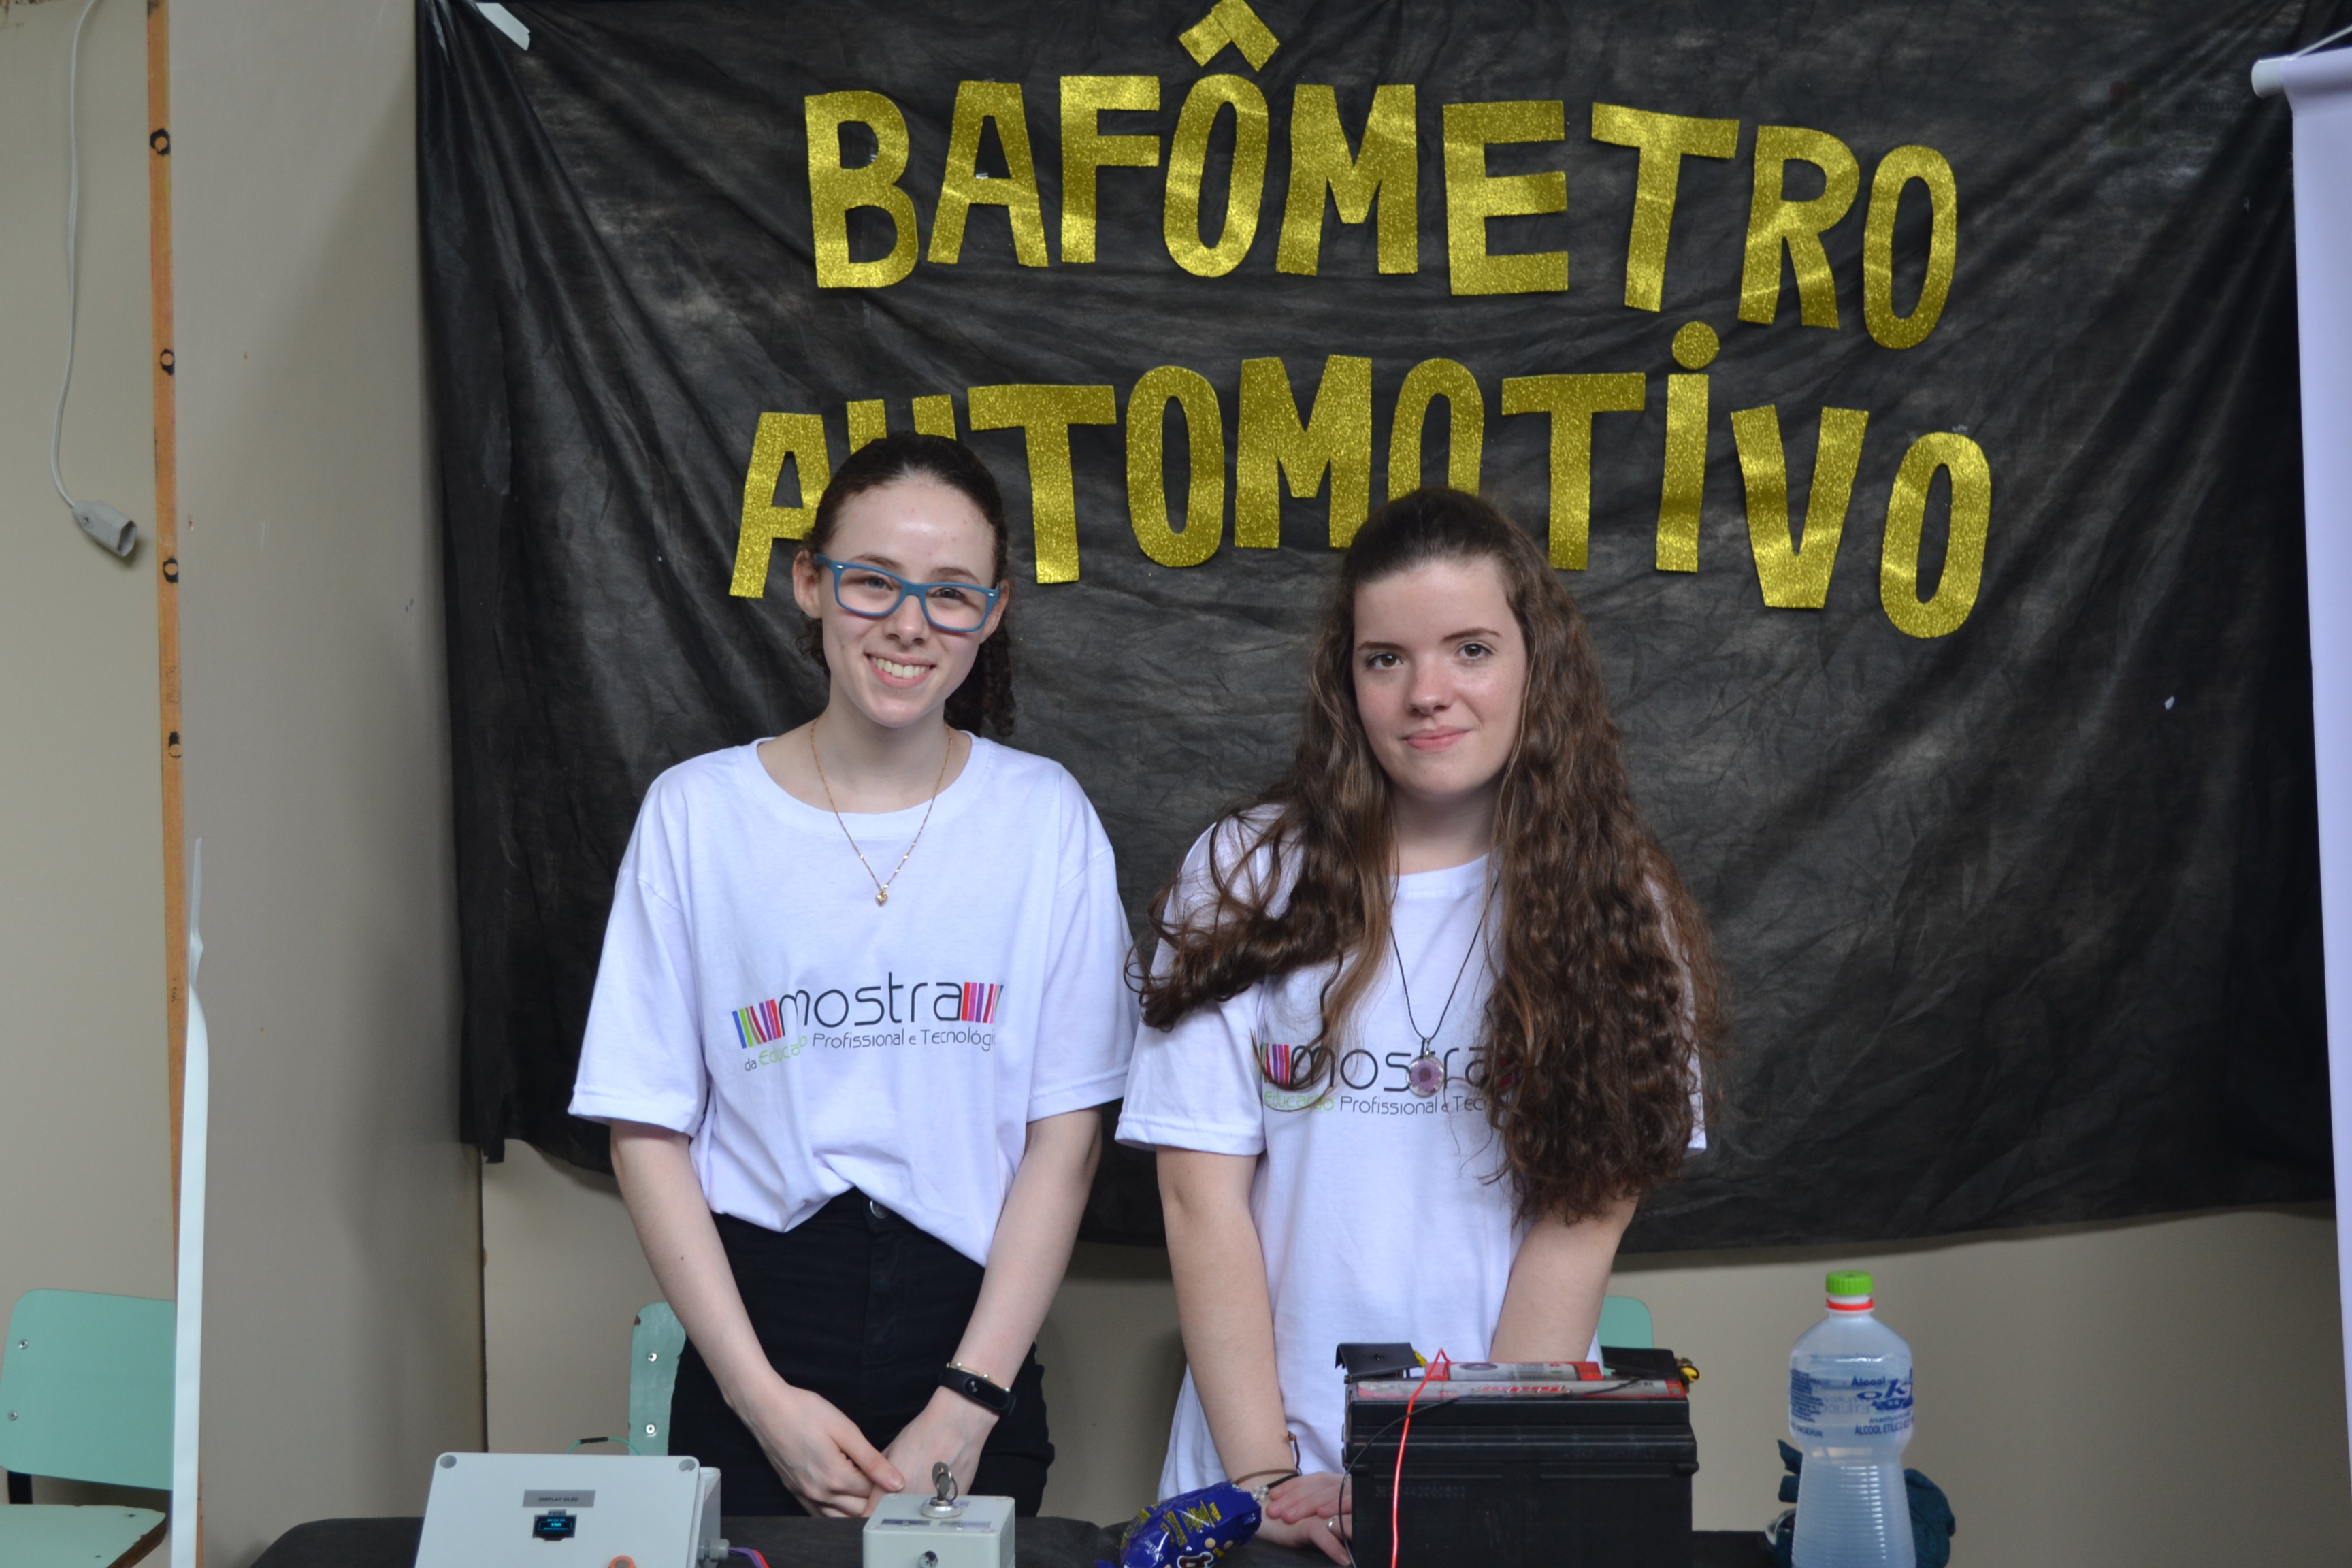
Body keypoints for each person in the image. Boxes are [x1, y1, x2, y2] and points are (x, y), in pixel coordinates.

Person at [1117, 487, 1724, 1561]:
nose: (1426, 693)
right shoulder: (1244, 872)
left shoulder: (1614, 901)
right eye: (1385, 658)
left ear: (1536, 663)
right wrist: (1269, 1483)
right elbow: (1196, 1198)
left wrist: (1464, 1480)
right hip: (1255, 1484)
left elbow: (1583, 1219)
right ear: (1346, 681)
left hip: (1503, 1477)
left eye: (1471, 650)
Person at [570, 432, 1137, 1518]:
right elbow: (645, 1127)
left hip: (972, 1349)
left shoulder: (1044, 817)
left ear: (993, 614)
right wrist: (759, 1401)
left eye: (951, 593)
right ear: (811, 583)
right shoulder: (696, 815)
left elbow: (1066, 1136)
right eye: (875, 580)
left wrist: (967, 1407)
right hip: (755, 1349)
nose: (910, 623)